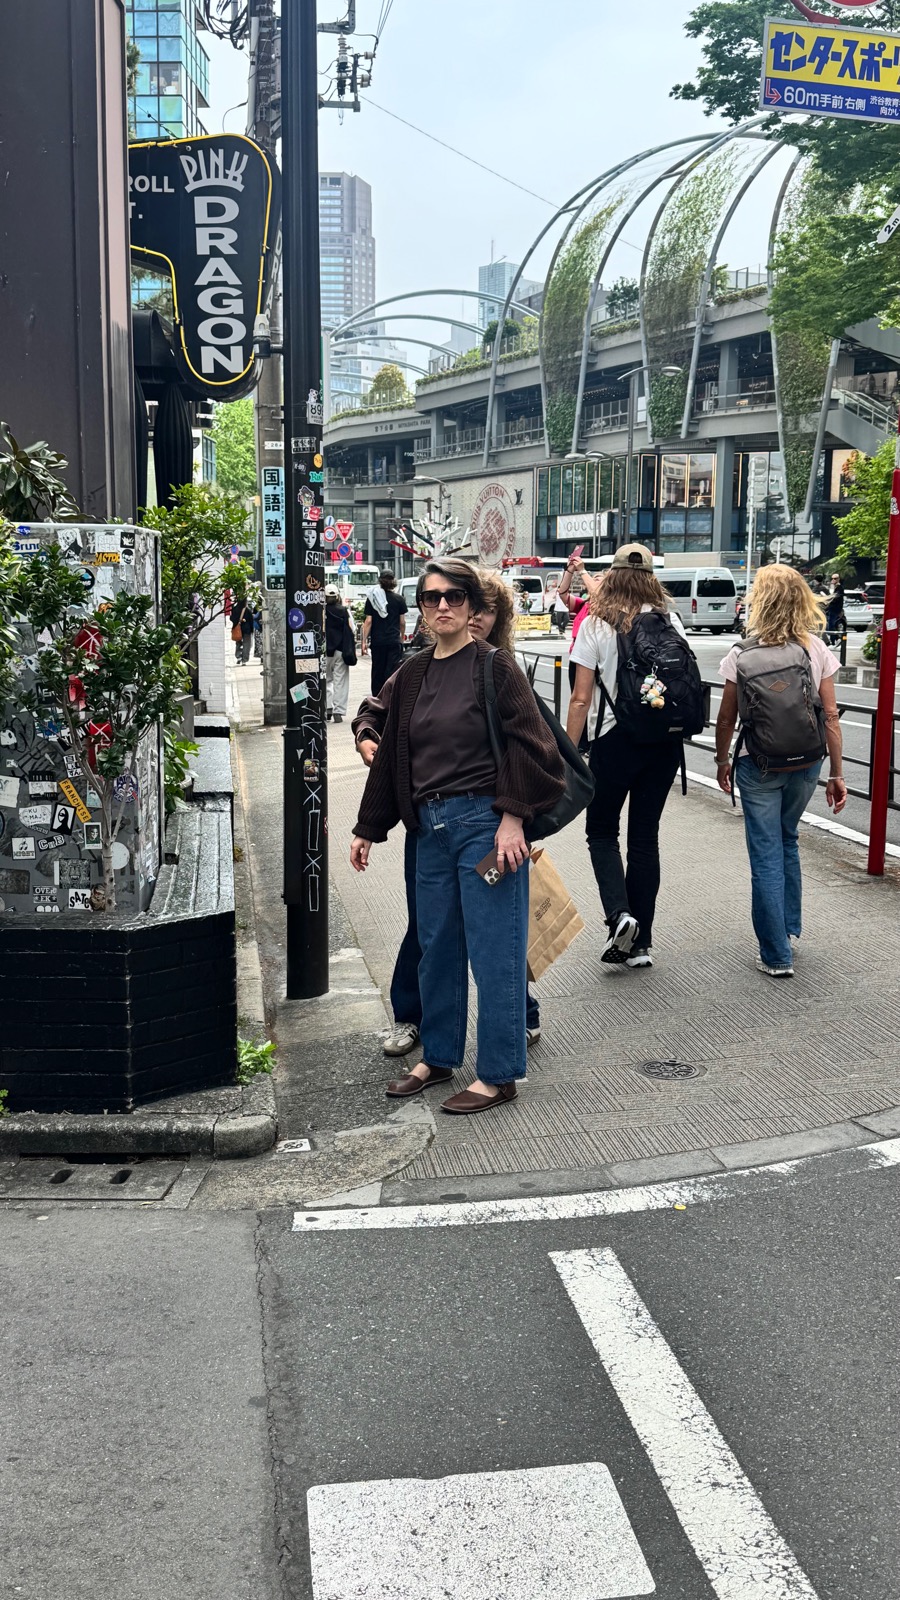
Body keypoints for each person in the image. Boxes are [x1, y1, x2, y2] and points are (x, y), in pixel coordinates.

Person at [350, 558, 565, 1115]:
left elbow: (535, 748)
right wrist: (368, 828)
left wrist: (513, 817)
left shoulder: (494, 668)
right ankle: (438, 1056)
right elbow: (395, 752)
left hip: (485, 828)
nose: (441, 606)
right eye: (430, 598)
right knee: (436, 949)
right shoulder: (414, 672)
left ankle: (498, 1074)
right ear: (419, 609)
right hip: (429, 828)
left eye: (453, 597)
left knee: (496, 953)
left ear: (471, 606)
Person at [715, 564, 847, 977]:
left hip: (760, 765)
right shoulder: (815, 648)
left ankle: (775, 955)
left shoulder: (742, 652)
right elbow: (830, 716)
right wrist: (838, 774)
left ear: (760, 600)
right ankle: (788, 929)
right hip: (808, 763)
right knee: (788, 839)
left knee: (766, 853)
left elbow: (725, 718)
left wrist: (722, 760)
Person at [565, 544, 689, 970]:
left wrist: (568, 753)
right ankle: (641, 945)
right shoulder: (670, 619)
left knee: (601, 832)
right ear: (652, 577)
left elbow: (581, 700)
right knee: (644, 838)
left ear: (612, 575)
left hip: (614, 741)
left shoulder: (596, 623)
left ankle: (620, 916)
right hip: (663, 742)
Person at [362, 570, 407, 694]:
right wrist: (401, 637)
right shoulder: (399, 599)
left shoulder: (373, 599)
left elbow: (369, 621)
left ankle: (377, 698)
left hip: (378, 641)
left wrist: (364, 641)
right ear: (394, 581)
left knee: (377, 671)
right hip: (393, 640)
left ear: (380, 581)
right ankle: (390, 697)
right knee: (392, 671)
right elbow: (402, 622)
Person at [324, 587, 355, 723]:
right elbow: (352, 628)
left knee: (325, 680)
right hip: (341, 650)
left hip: (324, 651)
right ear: (337, 596)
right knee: (340, 681)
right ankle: (338, 711)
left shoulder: (320, 611)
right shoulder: (344, 611)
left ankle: (327, 708)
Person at [230, 595, 254, 665]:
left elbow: (231, 618)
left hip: (237, 629)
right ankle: (244, 660)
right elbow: (251, 620)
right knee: (247, 644)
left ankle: (238, 656)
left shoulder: (234, 609)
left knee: (238, 643)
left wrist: (236, 622)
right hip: (247, 629)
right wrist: (251, 630)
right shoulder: (247, 610)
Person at [824, 571, 845, 645]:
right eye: (832, 578)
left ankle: (835, 640)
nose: (834, 580)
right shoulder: (832, 587)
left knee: (831, 625)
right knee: (829, 625)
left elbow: (837, 597)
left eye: (835, 578)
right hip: (831, 608)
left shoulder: (840, 587)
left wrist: (830, 598)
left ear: (838, 579)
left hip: (835, 609)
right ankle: (835, 639)